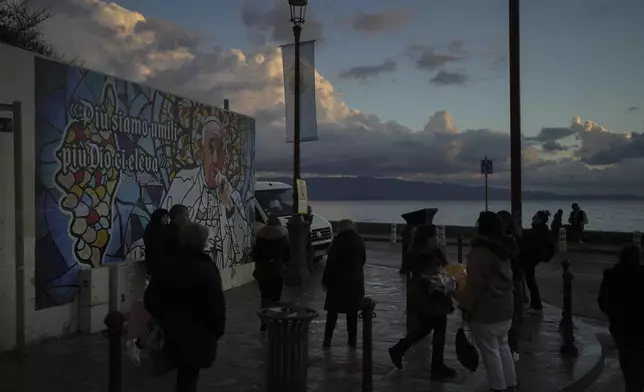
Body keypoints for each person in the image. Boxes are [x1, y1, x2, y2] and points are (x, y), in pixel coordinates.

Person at [145, 222, 226, 392]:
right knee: (188, 376)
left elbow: (150, 299)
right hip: (198, 333)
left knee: (181, 372)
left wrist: (164, 315)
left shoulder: (167, 266)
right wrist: (216, 331)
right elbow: (216, 306)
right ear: (203, 242)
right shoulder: (207, 269)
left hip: (171, 331)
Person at [388, 224, 456, 380]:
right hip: (431, 298)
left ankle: (399, 349)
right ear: (428, 238)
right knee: (438, 331)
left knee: (425, 329)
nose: (438, 238)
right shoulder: (425, 255)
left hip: (428, 298)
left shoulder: (424, 252)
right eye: (435, 236)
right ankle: (436, 366)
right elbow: (430, 276)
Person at [461, 211, 517, 392]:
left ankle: (498, 387)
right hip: (505, 308)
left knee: (490, 351)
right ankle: (511, 384)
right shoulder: (504, 249)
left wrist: (466, 305)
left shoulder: (480, 251)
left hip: (486, 310)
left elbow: (475, 282)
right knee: (503, 346)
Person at [126, 208, 169, 365]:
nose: (166, 220)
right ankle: (142, 342)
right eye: (164, 217)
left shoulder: (152, 230)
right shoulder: (157, 232)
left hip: (156, 271)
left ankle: (148, 343)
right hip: (159, 272)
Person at [598, 245, 644, 392]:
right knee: (638, 364)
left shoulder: (612, 275)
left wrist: (615, 315)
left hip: (622, 327)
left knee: (628, 364)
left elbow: (603, 301)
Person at [322, 219, 366, 349]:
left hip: (337, 282)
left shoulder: (338, 242)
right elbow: (363, 260)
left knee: (332, 312)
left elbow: (331, 263)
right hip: (355, 282)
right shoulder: (359, 240)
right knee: (352, 313)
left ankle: (327, 340)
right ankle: (352, 340)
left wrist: (325, 280)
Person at [252, 214, 290, 331]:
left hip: (263, 272)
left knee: (265, 297)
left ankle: (264, 322)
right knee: (275, 298)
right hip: (277, 272)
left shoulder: (260, 237)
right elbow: (287, 256)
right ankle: (274, 321)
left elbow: (254, 256)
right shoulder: (282, 238)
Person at [497, 210, 523, 362]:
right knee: (510, 319)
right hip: (513, 280)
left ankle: (511, 350)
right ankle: (511, 350)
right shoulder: (513, 239)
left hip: (510, 281)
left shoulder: (508, 241)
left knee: (509, 320)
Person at [520, 210, 555, 314]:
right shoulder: (541, 231)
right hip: (533, 258)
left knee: (530, 281)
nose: (532, 219)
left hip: (531, 258)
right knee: (529, 280)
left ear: (539, 220)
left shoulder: (538, 232)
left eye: (534, 217)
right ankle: (534, 304)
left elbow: (529, 242)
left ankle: (536, 305)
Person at [143, 208, 170, 278]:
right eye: (164, 217)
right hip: (155, 262)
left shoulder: (152, 228)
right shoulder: (154, 229)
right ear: (158, 217)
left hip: (155, 262)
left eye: (167, 217)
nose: (166, 220)